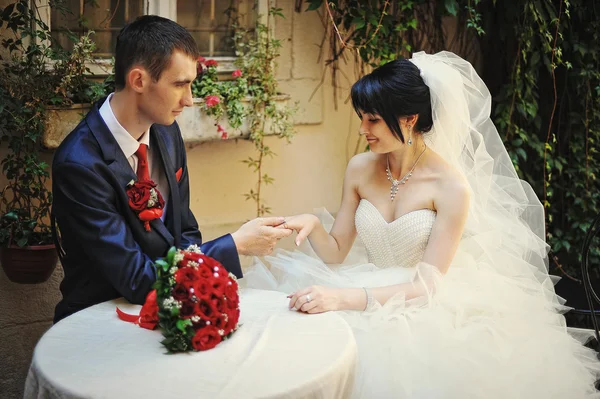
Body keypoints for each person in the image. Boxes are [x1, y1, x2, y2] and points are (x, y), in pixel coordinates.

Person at [244, 52, 600, 398]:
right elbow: (336, 253)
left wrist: (341, 298)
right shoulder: (359, 168)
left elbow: (426, 287)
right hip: (365, 282)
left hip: (424, 306)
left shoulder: (450, 186)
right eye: (362, 118)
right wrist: (313, 225)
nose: (362, 129)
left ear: (409, 118)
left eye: (372, 120)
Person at [51, 15, 292, 323]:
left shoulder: (166, 131)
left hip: (168, 307)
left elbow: (184, 231)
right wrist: (236, 245)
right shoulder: (79, 164)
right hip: (99, 319)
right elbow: (136, 280)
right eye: (180, 84)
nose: (190, 100)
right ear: (138, 80)